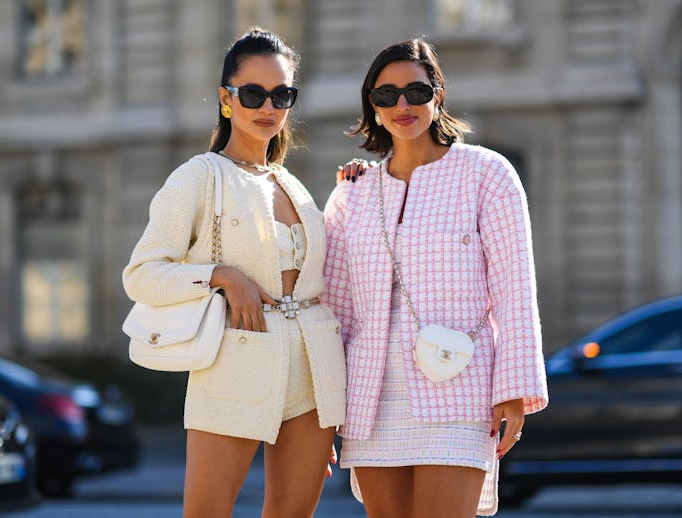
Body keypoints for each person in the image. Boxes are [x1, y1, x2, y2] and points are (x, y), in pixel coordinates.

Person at [122, 28, 345, 518]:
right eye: (253, 93)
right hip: (234, 364)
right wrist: (223, 275)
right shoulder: (200, 176)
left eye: (282, 94)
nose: (268, 106)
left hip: (315, 372)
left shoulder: (294, 184)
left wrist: (359, 184)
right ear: (227, 99)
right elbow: (141, 274)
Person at [322, 39, 549, 517]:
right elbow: (334, 313)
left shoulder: (488, 173)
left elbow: (515, 290)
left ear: (438, 95)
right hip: (371, 398)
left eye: (415, 91)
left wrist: (514, 389)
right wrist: (321, 417)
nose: (402, 105)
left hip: (461, 384)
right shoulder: (351, 195)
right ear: (373, 107)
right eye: (386, 96)